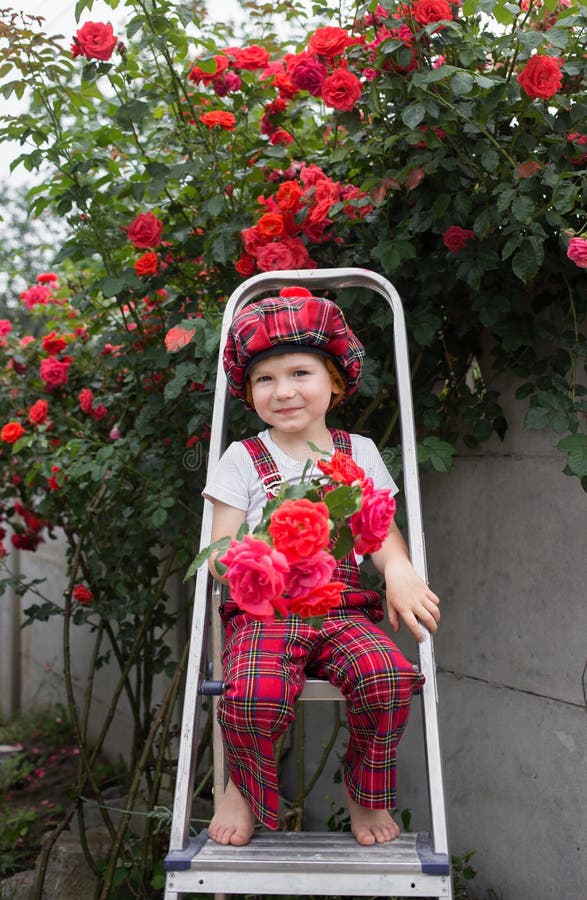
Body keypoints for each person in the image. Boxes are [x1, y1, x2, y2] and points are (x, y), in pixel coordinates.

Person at [202, 286, 440, 848]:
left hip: (341, 607)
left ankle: (366, 791)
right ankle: (242, 785)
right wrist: (254, 556)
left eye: (300, 374)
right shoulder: (244, 458)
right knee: (253, 693)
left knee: (387, 677)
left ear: (334, 382)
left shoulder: (356, 452)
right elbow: (217, 553)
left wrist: (400, 571)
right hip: (265, 611)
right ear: (250, 392)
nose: (283, 391)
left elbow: (377, 529)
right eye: (265, 379)